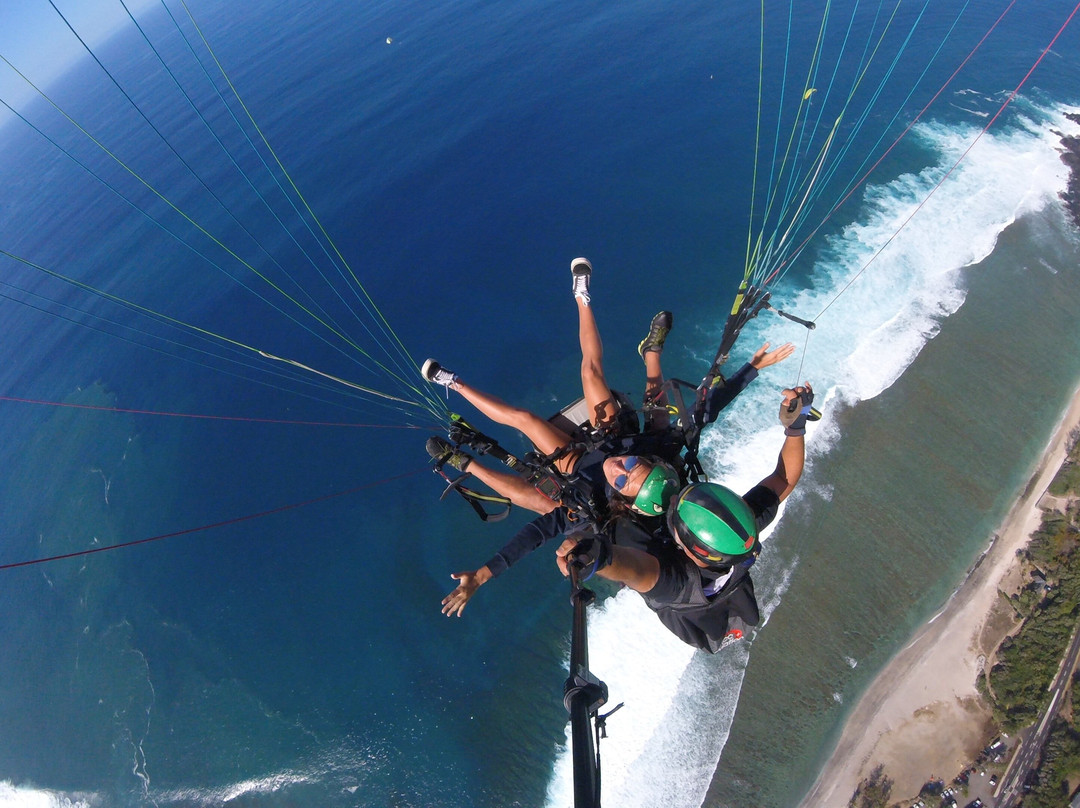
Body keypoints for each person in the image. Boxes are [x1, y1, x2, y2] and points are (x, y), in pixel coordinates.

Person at [435, 331, 795, 617]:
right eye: (633, 465)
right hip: (633, 465)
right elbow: (702, 414)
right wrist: (754, 370)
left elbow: (541, 536)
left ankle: (465, 462)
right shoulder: (679, 484)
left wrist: (483, 575)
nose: (620, 468)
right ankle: (648, 351)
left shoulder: (652, 559)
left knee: (544, 504)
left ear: (621, 498)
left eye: (622, 479)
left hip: (601, 511)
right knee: (662, 424)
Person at [554, 384, 813, 652]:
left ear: (686, 547)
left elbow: (635, 569)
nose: (673, 502)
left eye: (676, 516)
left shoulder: (676, 583)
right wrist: (796, 426)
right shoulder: (736, 529)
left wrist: (594, 556)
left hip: (680, 597)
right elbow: (783, 479)